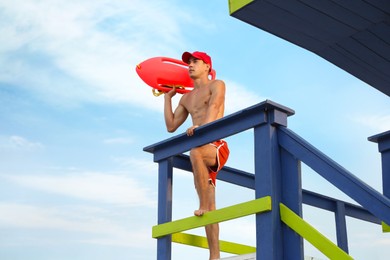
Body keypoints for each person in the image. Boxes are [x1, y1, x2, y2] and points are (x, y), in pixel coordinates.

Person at [164, 51, 230, 260]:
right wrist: (167, 99)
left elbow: (215, 107)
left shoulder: (217, 84)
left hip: (215, 146)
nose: (190, 65)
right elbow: (171, 126)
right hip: (200, 151)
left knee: (195, 152)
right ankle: (215, 255)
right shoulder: (186, 97)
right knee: (211, 206)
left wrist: (201, 128)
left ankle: (201, 204)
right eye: (188, 63)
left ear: (207, 67)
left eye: (195, 61)